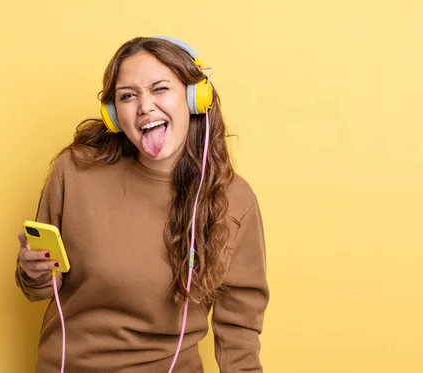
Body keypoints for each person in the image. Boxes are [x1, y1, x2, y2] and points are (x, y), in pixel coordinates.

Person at [15, 36, 269, 373]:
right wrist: (34, 273)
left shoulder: (233, 199)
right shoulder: (73, 171)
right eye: (128, 96)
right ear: (114, 115)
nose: (145, 106)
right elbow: (42, 290)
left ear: (196, 98)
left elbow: (240, 328)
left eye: (160, 89)